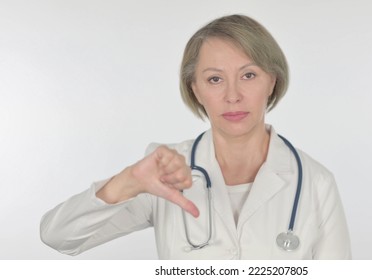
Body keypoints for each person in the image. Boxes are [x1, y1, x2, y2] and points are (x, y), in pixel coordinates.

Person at [40, 14, 351, 259]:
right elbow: (59, 237)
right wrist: (128, 181)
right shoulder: (162, 174)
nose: (233, 95)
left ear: (272, 81)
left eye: (249, 75)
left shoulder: (314, 183)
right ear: (195, 89)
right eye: (215, 79)